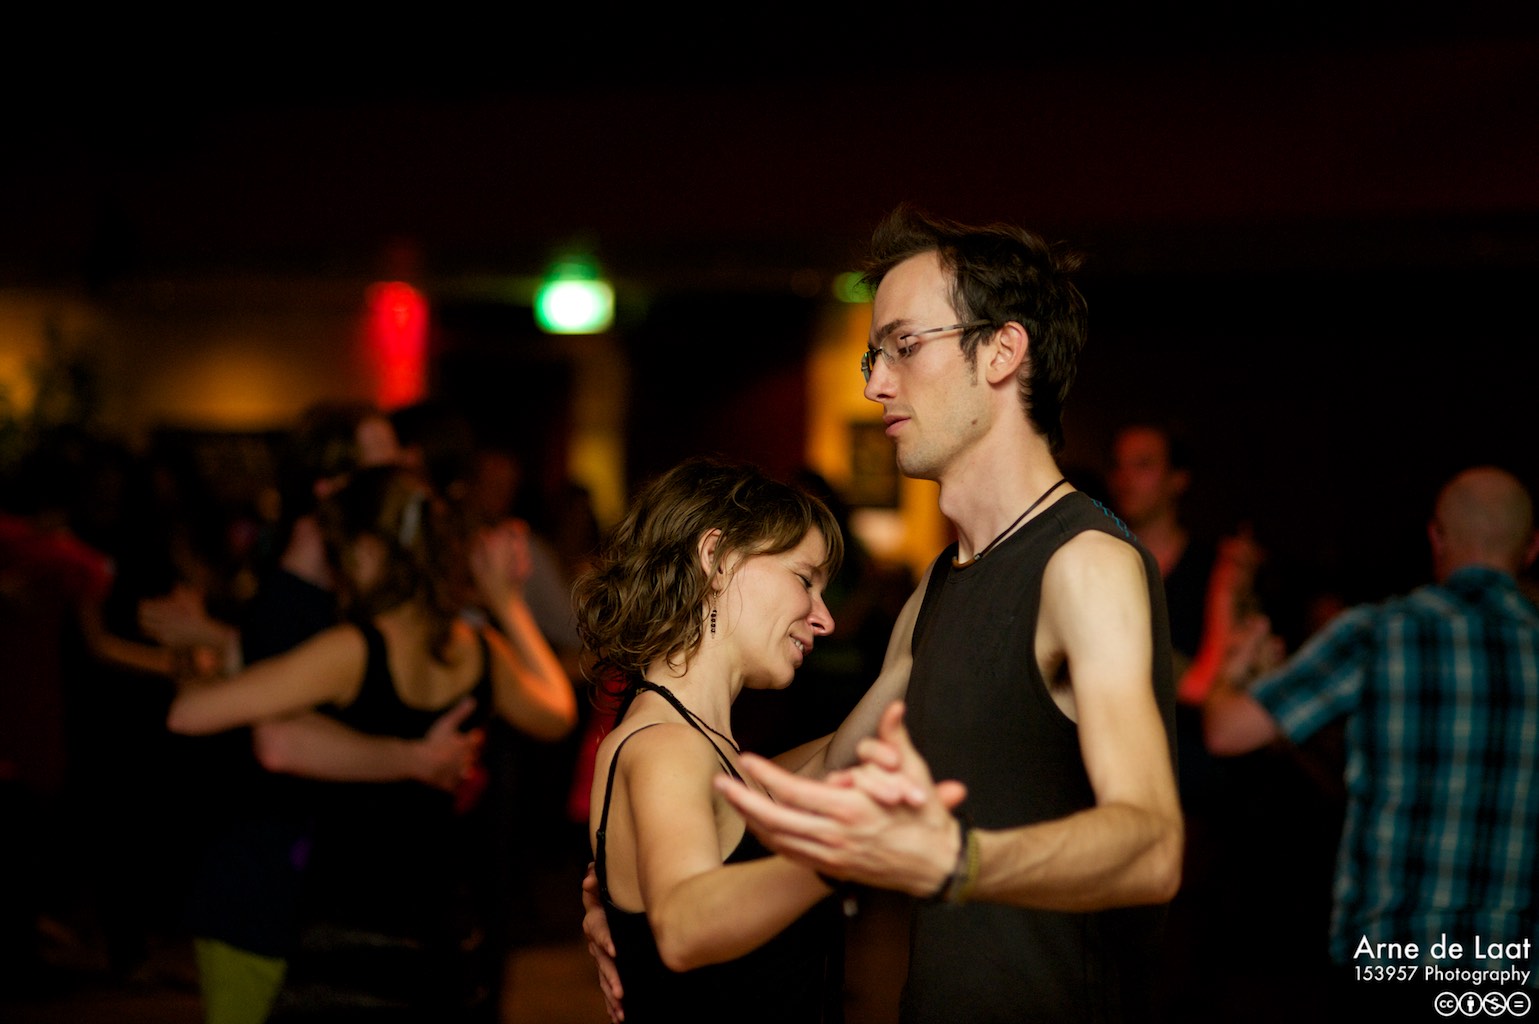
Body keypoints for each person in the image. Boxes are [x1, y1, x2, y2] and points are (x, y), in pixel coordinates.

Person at [588, 207, 1182, 1023]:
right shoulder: (941, 584)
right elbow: (835, 764)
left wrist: (956, 862)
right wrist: (629, 881)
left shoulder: (1082, 563)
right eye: (876, 355)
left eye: (904, 346)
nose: (874, 384)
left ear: (1002, 351)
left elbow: (1153, 846)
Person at [167, 464, 577, 1020]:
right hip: (444, 930)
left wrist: (191, 659)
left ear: (365, 551)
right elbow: (556, 713)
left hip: (352, 928)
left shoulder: (354, 650)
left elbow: (190, 715)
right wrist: (508, 603)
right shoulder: (476, 649)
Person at [1204, 466, 1539, 1019]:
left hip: (1389, 959)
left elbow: (1226, 730)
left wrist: (1233, 671)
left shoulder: (1380, 632)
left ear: (1436, 538)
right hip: (1511, 969)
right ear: (1531, 549)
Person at [575, 457, 852, 1023]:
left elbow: (885, 714)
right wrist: (844, 859)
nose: (825, 619)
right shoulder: (667, 747)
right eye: (805, 580)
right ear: (718, 560)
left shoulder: (715, 756)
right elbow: (684, 927)